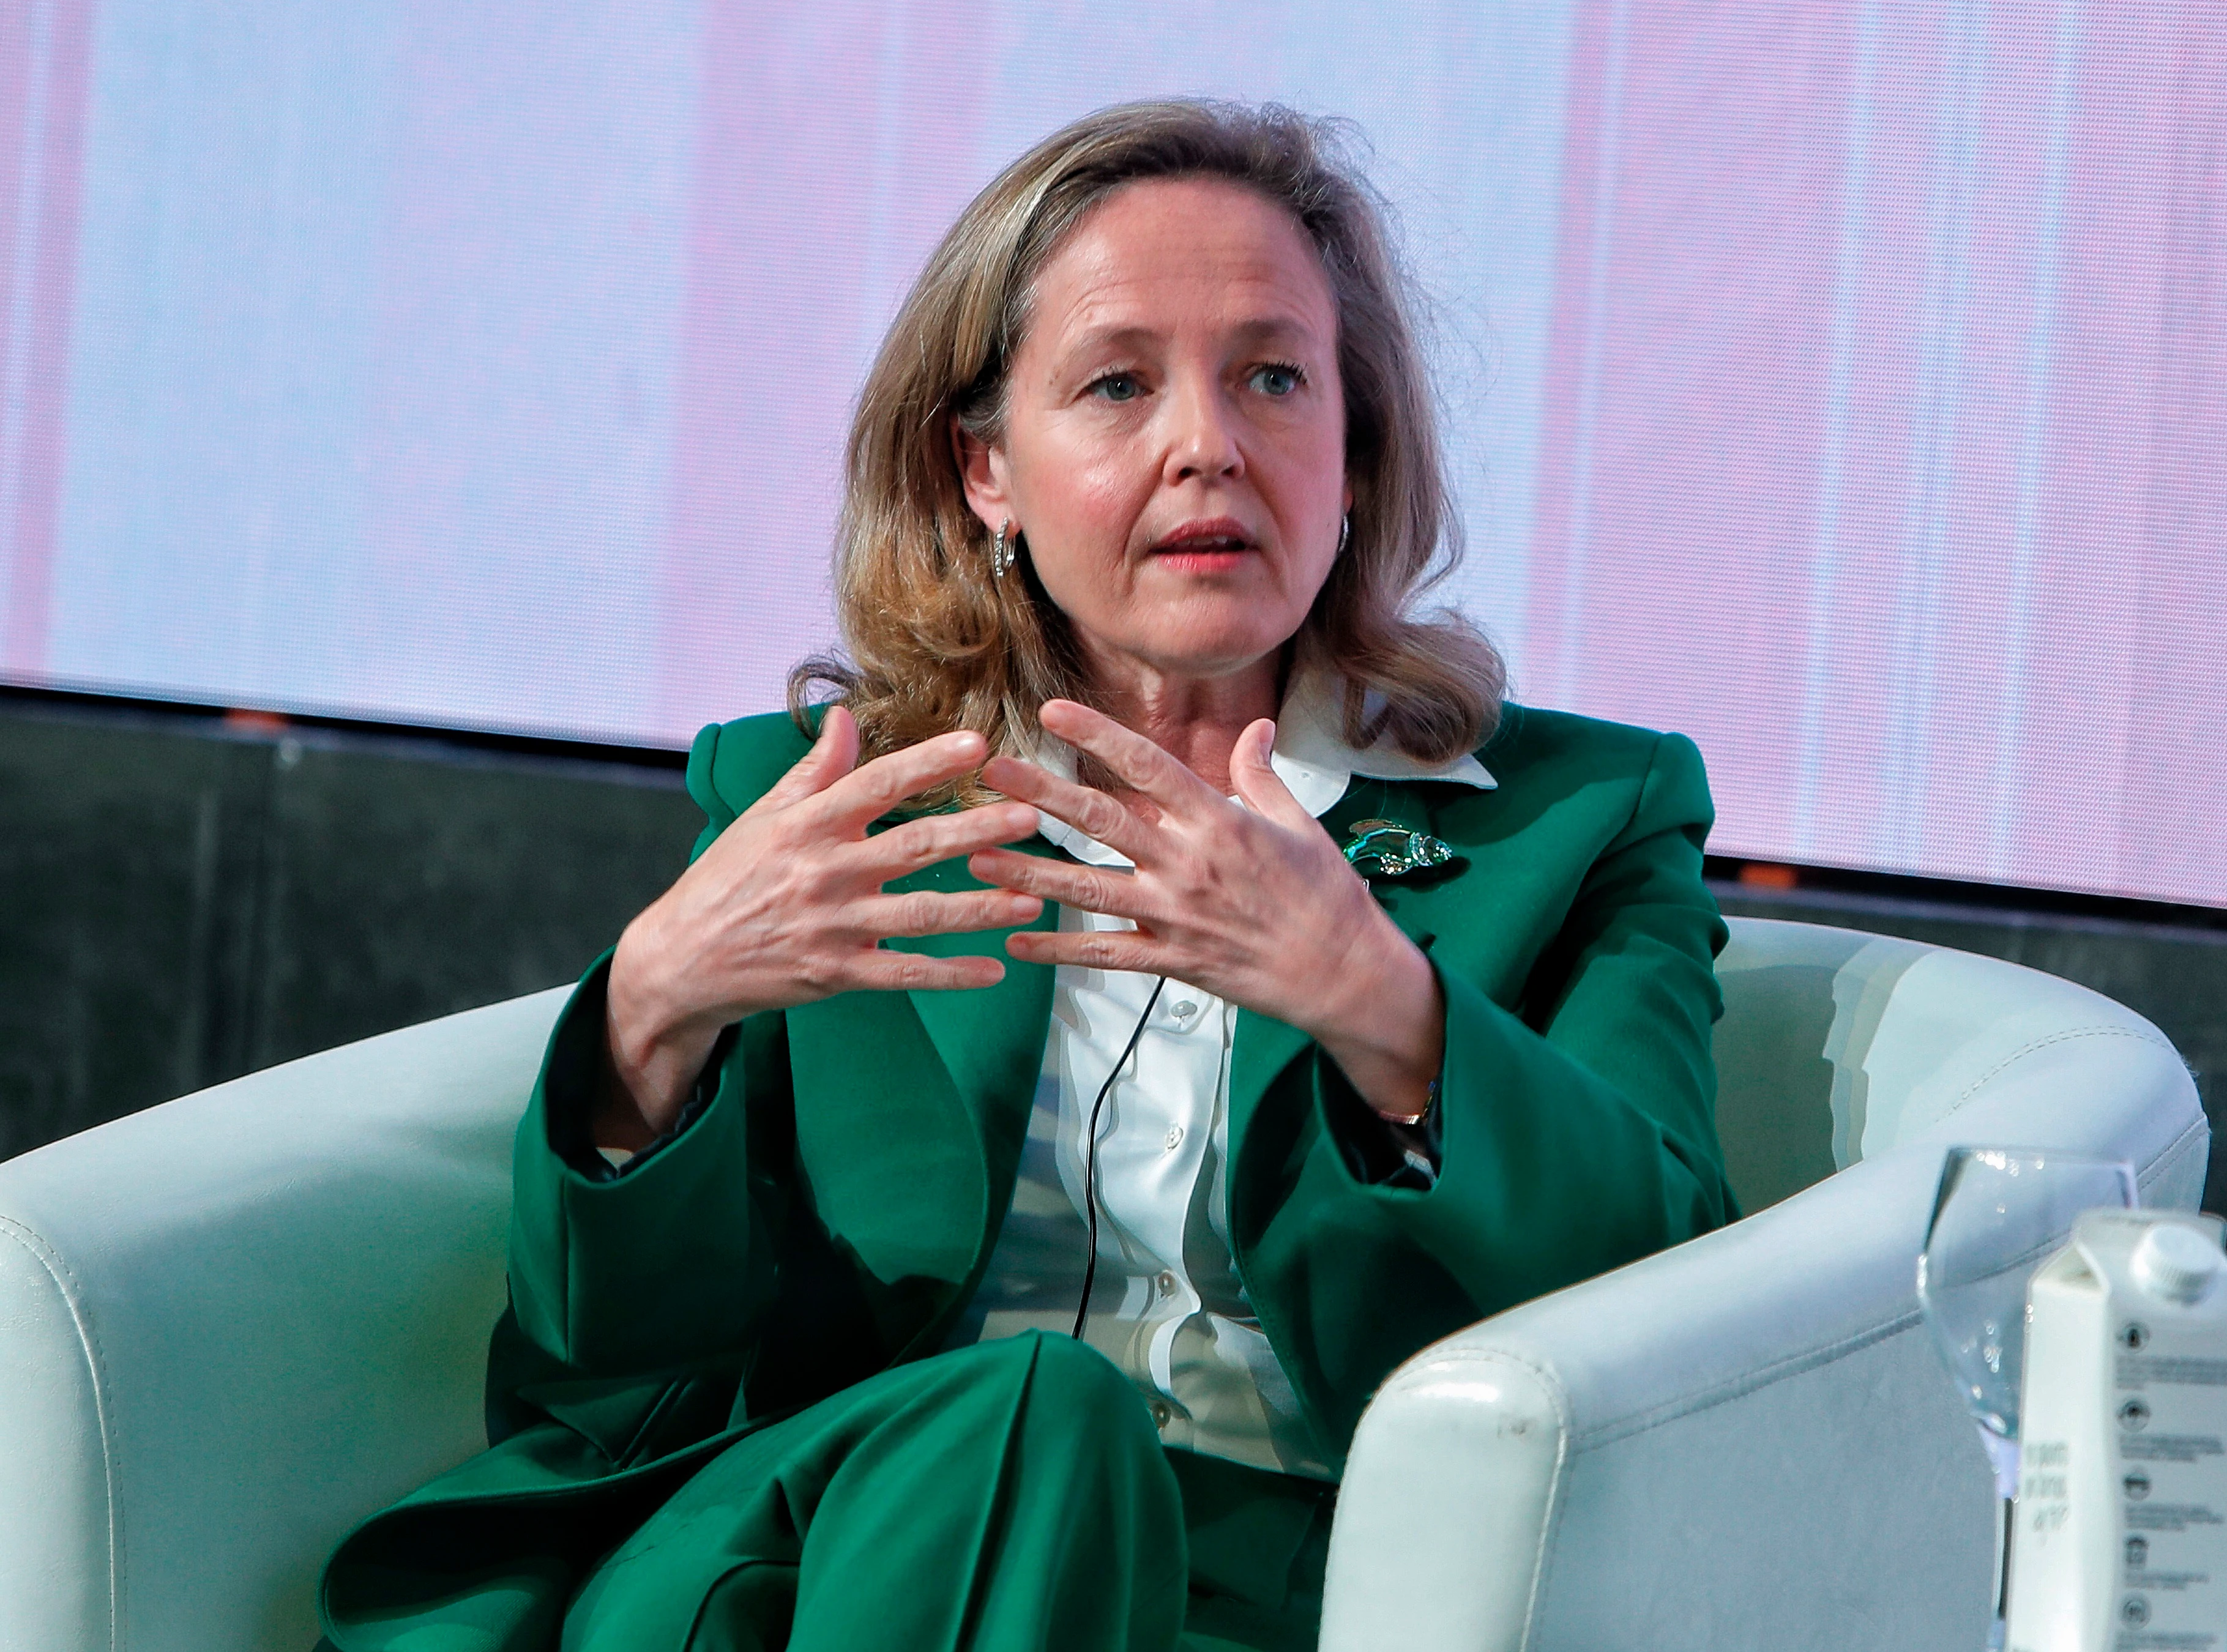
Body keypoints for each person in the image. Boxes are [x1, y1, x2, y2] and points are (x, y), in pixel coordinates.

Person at [314, 99, 1734, 1652]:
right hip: (824, 1555)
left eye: (1273, 376)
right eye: (1118, 384)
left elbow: (1675, 1297)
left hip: (1274, 1593)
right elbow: (605, 1363)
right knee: (1031, 1418)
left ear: (1355, 447)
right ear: (985, 469)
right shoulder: (822, 800)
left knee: (1061, 1439)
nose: (1209, 442)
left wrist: (1383, 1007)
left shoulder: (1576, 818)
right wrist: (650, 1018)